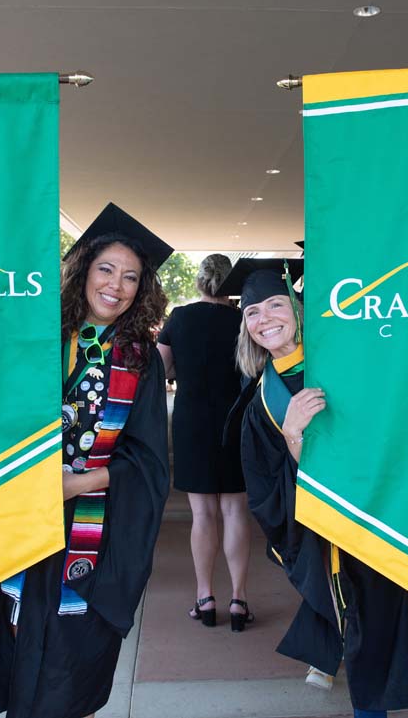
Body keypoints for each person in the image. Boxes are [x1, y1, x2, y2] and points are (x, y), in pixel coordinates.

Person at [226, 258, 408, 718]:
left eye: (275, 304)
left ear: (299, 310)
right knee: (371, 648)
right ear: (245, 328)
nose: (265, 319)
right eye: (252, 313)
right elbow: (271, 494)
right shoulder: (262, 405)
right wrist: (294, 436)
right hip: (355, 543)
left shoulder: (351, 362)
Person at [0, 203, 172, 718]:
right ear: (82, 269)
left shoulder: (140, 360)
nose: (116, 286)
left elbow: (149, 465)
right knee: (12, 647)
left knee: (65, 676)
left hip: (92, 541)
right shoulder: (36, 338)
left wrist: (80, 484)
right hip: (21, 526)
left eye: (130, 277)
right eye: (106, 269)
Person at [156, 254, 254, 631]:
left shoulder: (179, 318)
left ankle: (205, 596)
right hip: (235, 420)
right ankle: (239, 600)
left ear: (199, 282)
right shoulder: (243, 319)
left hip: (192, 421)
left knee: (203, 515)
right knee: (233, 511)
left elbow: (160, 370)